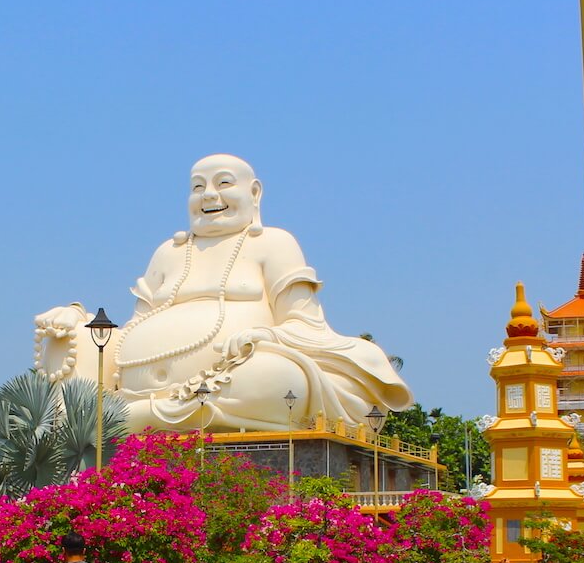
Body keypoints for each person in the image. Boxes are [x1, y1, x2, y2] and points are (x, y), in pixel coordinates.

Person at [33, 154, 411, 432]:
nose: (208, 194)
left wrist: (266, 336)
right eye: (197, 186)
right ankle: (110, 417)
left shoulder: (274, 243)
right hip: (141, 384)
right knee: (79, 337)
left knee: (279, 379)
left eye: (224, 183)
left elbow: (303, 322)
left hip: (237, 372)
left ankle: (127, 420)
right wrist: (75, 320)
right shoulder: (168, 252)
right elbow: (132, 327)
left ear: (255, 192)